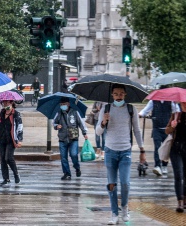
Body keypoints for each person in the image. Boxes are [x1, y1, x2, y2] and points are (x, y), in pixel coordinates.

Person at [96, 84, 146, 225]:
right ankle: (114, 213)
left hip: (125, 151)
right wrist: (104, 121)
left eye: (121, 94)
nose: (119, 96)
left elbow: (136, 130)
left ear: (125, 95)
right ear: (112, 95)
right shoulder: (106, 109)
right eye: (116, 94)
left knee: (125, 183)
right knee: (112, 183)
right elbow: (98, 132)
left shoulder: (131, 110)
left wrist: (142, 150)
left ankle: (124, 207)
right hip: (110, 151)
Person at [139, 96, 180, 176]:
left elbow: (177, 111)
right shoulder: (153, 101)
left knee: (166, 148)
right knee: (157, 147)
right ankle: (157, 165)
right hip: (156, 128)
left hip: (166, 129)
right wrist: (140, 114)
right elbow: (146, 110)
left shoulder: (171, 101)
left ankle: (164, 165)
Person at [54, 96, 88, 180]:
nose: (63, 106)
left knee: (74, 155)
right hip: (62, 138)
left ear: (68, 104)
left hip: (73, 138)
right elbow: (54, 123)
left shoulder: (75, 112)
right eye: (61, 104)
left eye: (64, 104)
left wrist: (84, 133)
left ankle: (77, 168)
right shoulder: (59, 113)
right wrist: (56, 126)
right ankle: (67, 173)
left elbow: (81, 123)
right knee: (63, 157)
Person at [0, 100, 23, 187]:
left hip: (11, 139)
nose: (5, 104)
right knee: (3, 159)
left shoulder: (16, 114)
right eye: (4, 103)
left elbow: (20, 127)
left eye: (7, 103)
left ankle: (16, 174)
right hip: (2, 138)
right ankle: (6, 179)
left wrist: (19, 139)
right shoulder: (2, 112)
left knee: (8, 158)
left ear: (11, 103)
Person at [167, 102, 186, 212]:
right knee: (178, 174)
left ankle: (184, 199)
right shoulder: (176, 115)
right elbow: (167, 130)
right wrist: (172, 126)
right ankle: (179, 202)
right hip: (176, 148)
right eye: (183, 103)